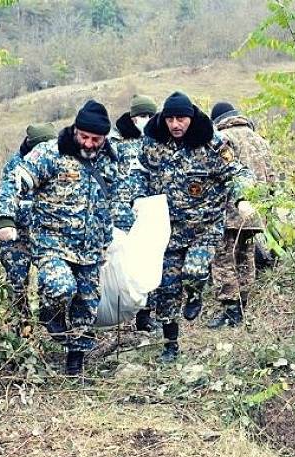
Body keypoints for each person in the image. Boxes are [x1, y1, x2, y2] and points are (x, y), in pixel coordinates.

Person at [0, 100, 118, 375]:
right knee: (61, 287)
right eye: (83, 137)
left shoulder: (111, 159)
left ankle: (76, 363)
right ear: (75, 130)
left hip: (91, 248)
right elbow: (15, 181)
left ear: (104, 137)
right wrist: (4, 219)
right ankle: (49, 314)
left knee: (87, 306)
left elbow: (113, 201)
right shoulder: (50, 153)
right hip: (52, 243)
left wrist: (113, 236)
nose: (88, 143)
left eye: (95, 139)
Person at [133, 92, 254, 362]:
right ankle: (170, 345)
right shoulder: (152, 144)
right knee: (167, 288)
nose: (176, 125)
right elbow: (137, 173)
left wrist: (243, 197)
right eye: (170, 119)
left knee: (195, 271)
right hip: (168, 230)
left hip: (204, 226)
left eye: (181, 119)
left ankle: (196, 293)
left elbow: (238, 173)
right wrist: (135, 199)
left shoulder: (211, 143)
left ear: (191, 117)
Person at [208, 102, 277, 328]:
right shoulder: (260, 140)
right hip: (255, 211)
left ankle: (230, 310)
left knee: (223, 258)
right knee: (246, 256)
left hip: (229, 210)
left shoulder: (223, 139)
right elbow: (274, 178)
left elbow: (219, 175)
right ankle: (243, 304)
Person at [0, 123, 56, 336]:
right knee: (17, 283)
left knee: (52, 277)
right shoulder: (16, 165)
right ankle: (24, 330)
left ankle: (53, 320)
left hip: (46, 233)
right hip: (17, 235)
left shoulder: (58, 161)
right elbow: (7, 195)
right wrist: (6, 221)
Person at [110, 94, 160, 332]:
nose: (146, 120)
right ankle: (117, 312)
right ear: (132, 117)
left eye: (150, 115)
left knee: (148, 262)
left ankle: (145, 316)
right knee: (121, 266)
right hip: (118, 213)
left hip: (146, 211)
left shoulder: (156, 141)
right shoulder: (113, 142)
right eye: (142, 115)